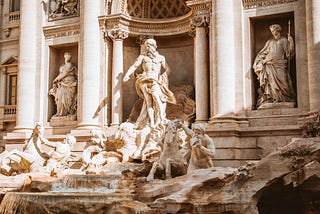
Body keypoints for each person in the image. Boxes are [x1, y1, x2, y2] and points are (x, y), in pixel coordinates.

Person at [123, 38, 176, 129]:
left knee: (156, 97)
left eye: (150, 45)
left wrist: (162, 77)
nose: (148, 48)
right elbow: (134, 66)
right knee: (148, 102)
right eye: (146, 46)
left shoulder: (161, 57)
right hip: (144, 80)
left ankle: (162, 117)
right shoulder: (142, 57)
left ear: (155, 46)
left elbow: (168, 69)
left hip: (155, 80)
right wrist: (127, 75)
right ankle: (151, 122)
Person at [253, 24, 295, 108]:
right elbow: (263, 53)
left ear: (278, 30)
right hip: (269, 65)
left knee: (283, 83)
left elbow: (288, 54)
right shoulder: (269, 42)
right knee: (271, 84)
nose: (273, 33)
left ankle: (284, 98)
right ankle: (272, 98)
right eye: (271, 31)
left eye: (274, 31)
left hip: (280, 64)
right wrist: (259, 61)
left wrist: (291, 43)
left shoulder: (284, 40)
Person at [49, 52, 77, 117]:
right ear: (64, 56)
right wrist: (56, 80)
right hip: (62, 84)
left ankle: (67, 111)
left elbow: (65, 73)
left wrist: (55, 80)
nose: (67, 57)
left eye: (69, 56)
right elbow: (61, 74)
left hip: (69, 82)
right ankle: (60, 112)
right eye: (66, 56)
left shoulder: (69, 65)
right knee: (60, 98)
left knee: (68, 99)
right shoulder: (62, 66)